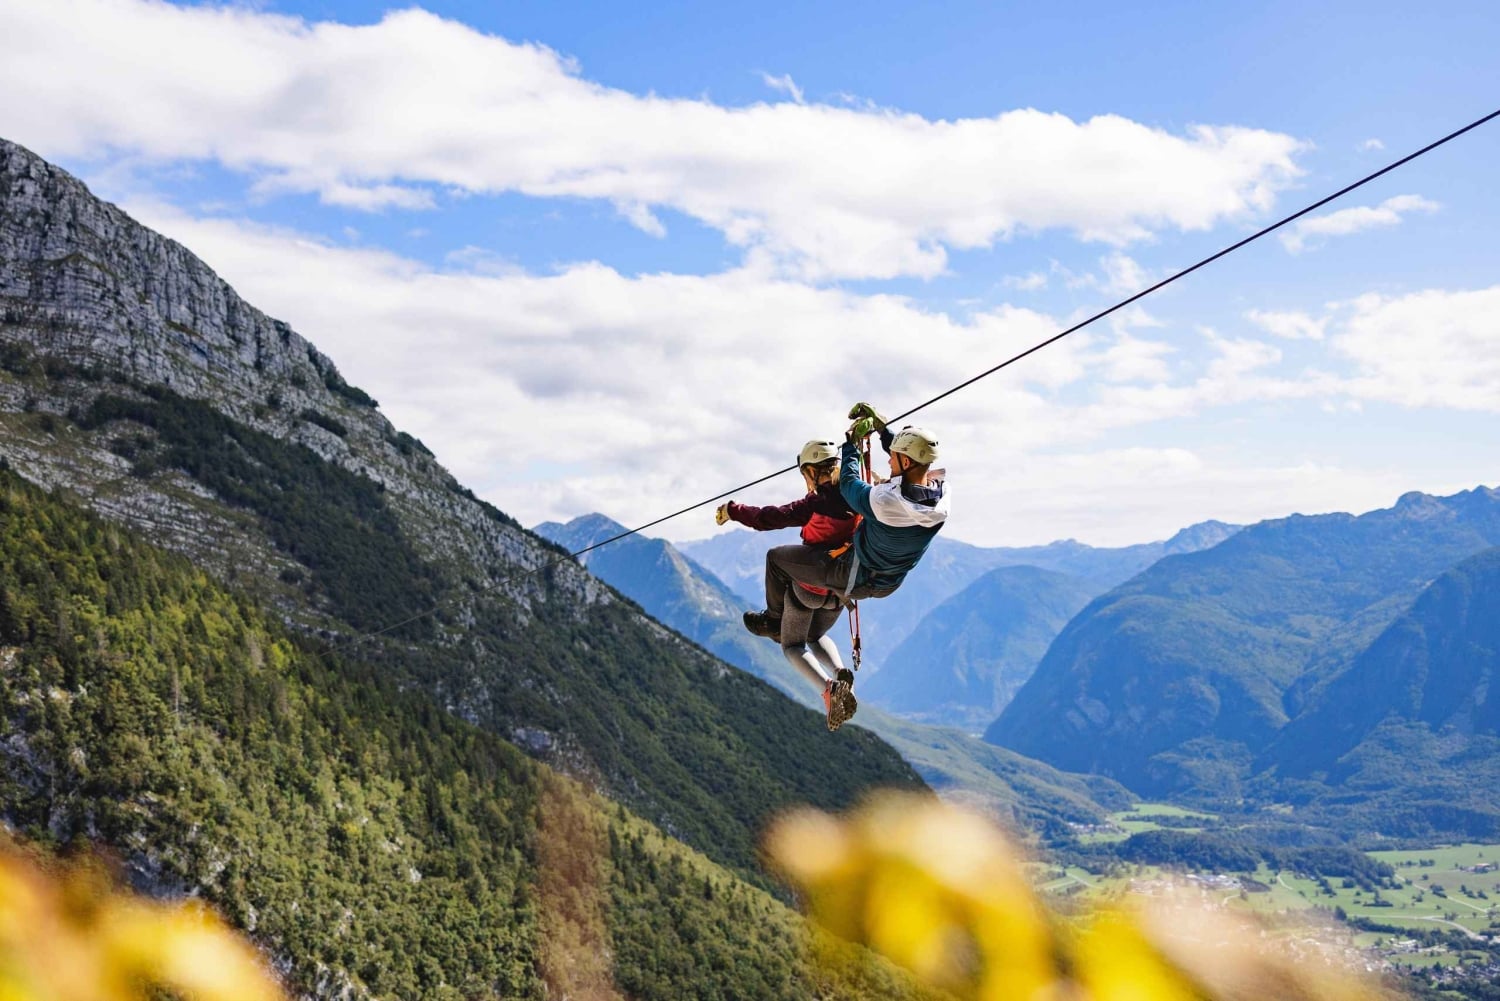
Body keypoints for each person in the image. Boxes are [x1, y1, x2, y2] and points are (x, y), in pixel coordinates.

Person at [749, 404, 949, 680]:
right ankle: (838, 674)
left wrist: (851, 444)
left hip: (855, 572)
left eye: (894, 458)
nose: (889, 461)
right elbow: (909, 466)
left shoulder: (884, 502)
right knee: (815, 634)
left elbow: (849, 484)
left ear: (906, 462)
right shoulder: (940, 497)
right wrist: (883, 430)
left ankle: (772, 622)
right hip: (889, 580)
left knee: (777, 559)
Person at [716, 439, 861, 730]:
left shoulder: (817, 502)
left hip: (809, 590)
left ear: (811, 471)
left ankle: (826, 686)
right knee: (815, 635)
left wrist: (733, 510)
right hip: (840, 593)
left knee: (792, 644)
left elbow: (766, 518)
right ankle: (840, 670)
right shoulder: (857, 492)